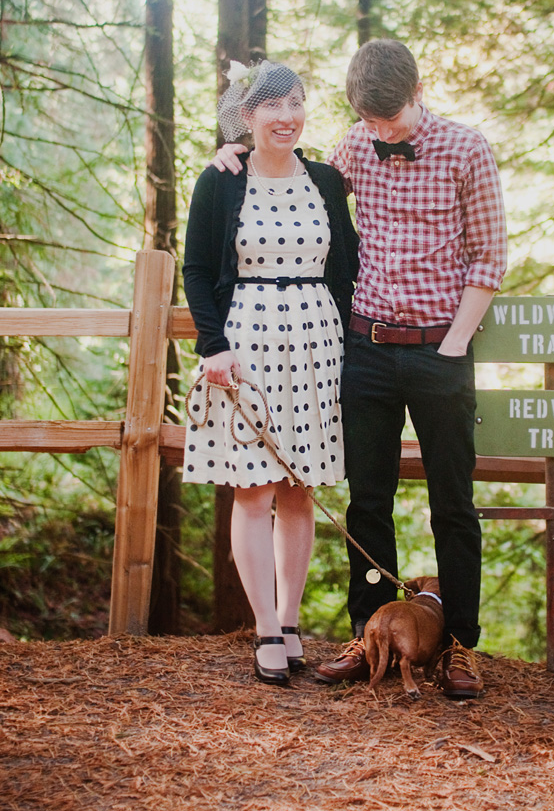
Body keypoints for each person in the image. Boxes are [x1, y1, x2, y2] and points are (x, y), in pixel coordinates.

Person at [213, 40, 507, 699]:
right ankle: (364, 632)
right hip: (367, 351)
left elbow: (490, 256)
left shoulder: (467, 150)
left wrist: (456, 343)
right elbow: (290, 172)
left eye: (390, 120)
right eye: (369, 122)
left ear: (418, 91)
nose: (379, 132)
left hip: (441, 351)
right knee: (367, 500)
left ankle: (460, 644)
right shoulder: (351, 147)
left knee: (453, 506)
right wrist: (234, 156)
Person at [183, 60, 358, 687]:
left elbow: (347, 269)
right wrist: (214, 346)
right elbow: (198, 271)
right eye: (272, 106)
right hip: (247, 344)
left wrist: (350, 346)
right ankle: (262, 626)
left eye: (296, 104)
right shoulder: (221, 180)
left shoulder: (328, 182)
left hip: (317, 343)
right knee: (254, 491)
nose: (286, 117)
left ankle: (290, 620)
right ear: (248, 116)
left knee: (299, 488)